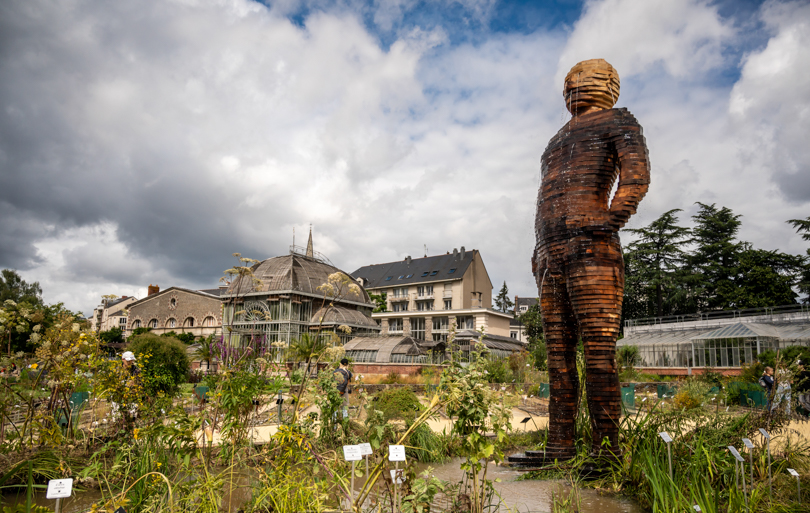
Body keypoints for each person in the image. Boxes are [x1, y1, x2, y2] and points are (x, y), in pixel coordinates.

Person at [532, 58, 650, 463]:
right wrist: (540, 250)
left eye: (582, 76)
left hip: (591, 250)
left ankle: (606, 453)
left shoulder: (619, 121)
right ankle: (560, 446)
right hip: (549, 255)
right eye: (569, 78)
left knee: (599, 354)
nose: (572, 83)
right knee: (557, 357)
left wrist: (607, 222)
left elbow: (636, 177)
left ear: (610, 83)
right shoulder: (553, 142)